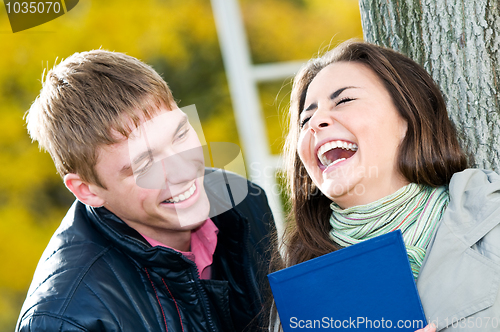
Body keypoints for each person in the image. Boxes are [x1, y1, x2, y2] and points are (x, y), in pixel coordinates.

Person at [16, 50, 275, 332]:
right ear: (87, 190)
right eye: (144, 163)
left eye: (180, 134)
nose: (183, 170)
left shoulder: (246, 202)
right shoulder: (66, 321)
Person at [269, 39, 500, 332]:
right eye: (306, 119)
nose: (316, 122)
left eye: (344, 101)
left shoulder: (493, 224)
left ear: (408, 117)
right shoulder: (299, 288)